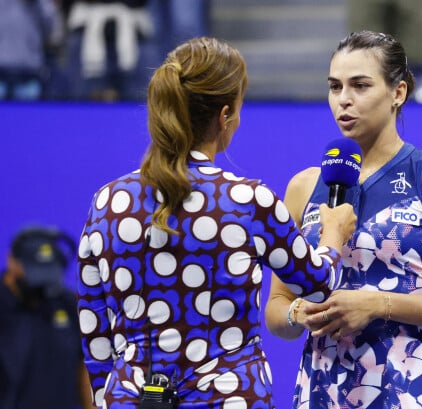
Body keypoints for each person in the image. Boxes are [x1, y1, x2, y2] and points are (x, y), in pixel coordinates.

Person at [76, 36, 357, 408]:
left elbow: (94, 326)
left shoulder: (106, 202)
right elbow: (319, 286)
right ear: (225, 116)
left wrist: (106, 396)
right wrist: (334, 236)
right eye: (238, 109)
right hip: (229, 398)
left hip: (129, 398)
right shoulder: (248, 201)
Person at [265, 30, 422, 408]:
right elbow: (277, 308)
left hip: (408, 388)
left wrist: (377, 305)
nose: (344, 100)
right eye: (335, 86)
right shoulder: (303, 186)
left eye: (360, 86)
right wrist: (297, 313)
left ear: (398, 93)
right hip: (322, 390)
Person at [0, 226, 93, 409]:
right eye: (34, 271)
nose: (40, 282)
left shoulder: (69, 305)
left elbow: (84, 369)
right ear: (12, 261)